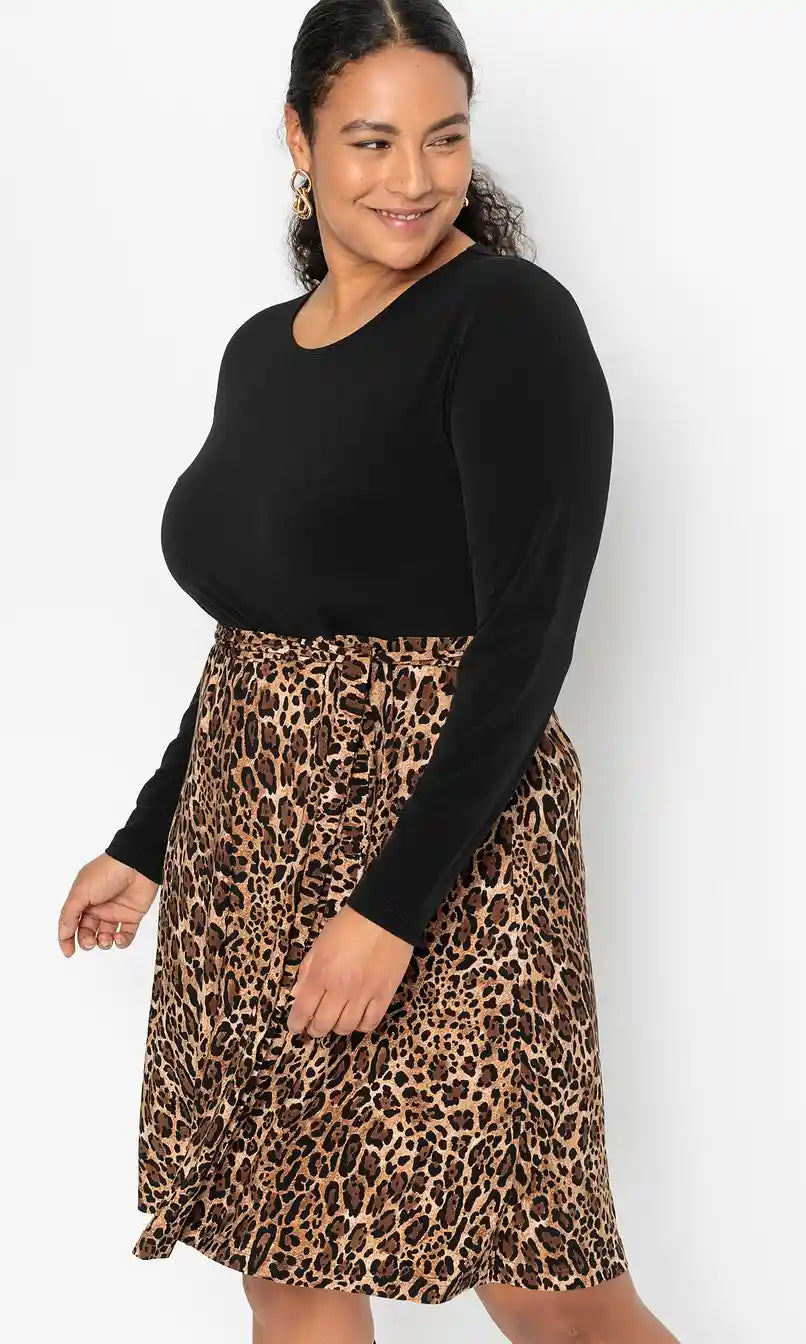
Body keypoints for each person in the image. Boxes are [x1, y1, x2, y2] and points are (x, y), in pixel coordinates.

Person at [58, 4, 681, 1343]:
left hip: (450, 861)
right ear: (299, 139)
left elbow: (529, 636)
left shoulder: (506, 321)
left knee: (548, 1284)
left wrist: (391, 908)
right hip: (250, 855)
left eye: (445, 138)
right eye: (372, 140)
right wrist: (147, 841)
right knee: (286, 1263)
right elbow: (264, 637)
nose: (413, 178)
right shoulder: (259, 352)